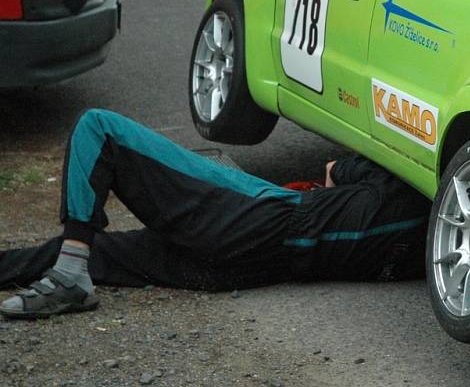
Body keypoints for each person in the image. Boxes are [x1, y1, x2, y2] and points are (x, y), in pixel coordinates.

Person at [0, 108, 430, 319]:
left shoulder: (405, 186)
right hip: (247, 270)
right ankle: (70, 269)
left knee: (98, 127)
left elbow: (334, 171)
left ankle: (70, 275)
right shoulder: (431, 255)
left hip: (260, 219)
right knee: (101, 255)